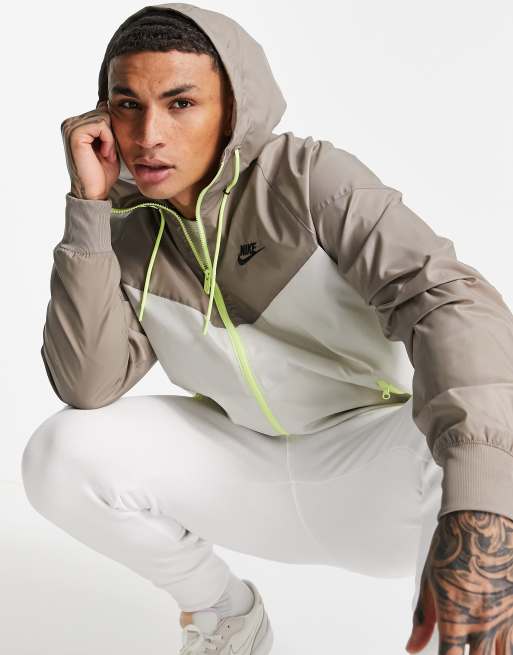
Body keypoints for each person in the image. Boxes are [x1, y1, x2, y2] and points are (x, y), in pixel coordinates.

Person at [21, 3, 513, 655]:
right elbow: (87, 384)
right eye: (127, 105)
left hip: (381, 470)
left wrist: (481, 511)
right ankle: (226, 616)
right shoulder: (127, 232)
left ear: (232, 107)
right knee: (61, 451)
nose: (148, 136)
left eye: (180, 103)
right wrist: (88, 209)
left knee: (484, 434)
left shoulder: (306, 179)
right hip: (247, 476)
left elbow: (447, 302)